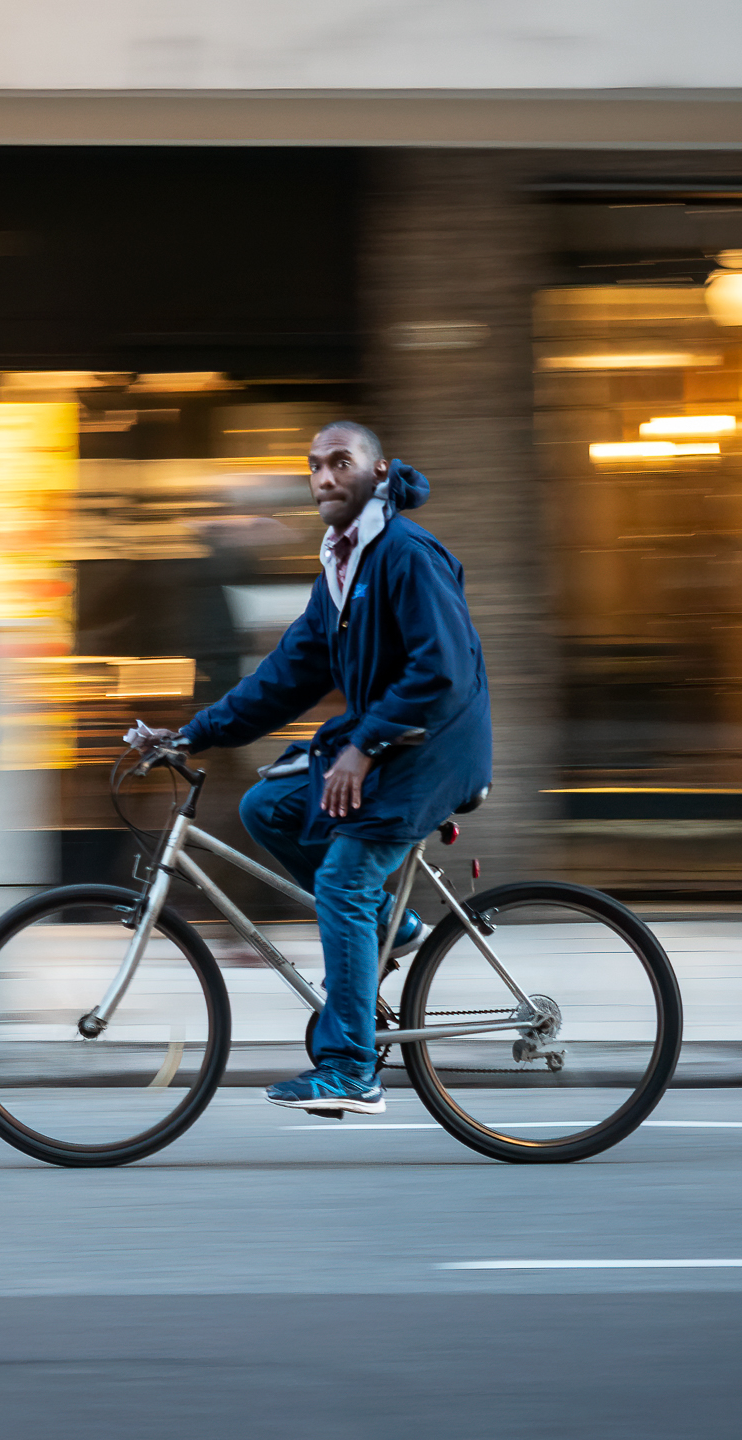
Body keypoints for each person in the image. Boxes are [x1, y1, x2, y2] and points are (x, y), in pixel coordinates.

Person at [128, 421, 491, 1115]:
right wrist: (194, 734)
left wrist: (364, 747)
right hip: (394, 745)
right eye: (315, 465)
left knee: (343, 878)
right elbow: (288, 674)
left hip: (435, 750)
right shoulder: (342, 564)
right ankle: (398, 926)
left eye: (341, 462)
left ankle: (352, 1070)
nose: (325, 477)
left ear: (377, 472)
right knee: (267, 808)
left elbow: (441, 670)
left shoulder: (407, 554)